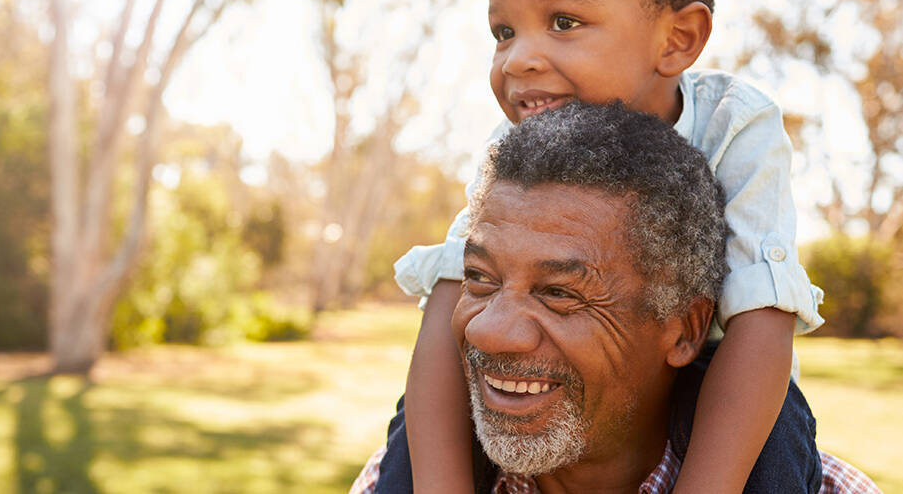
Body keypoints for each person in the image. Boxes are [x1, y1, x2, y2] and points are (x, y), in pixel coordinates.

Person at [377, 0, 826, 494]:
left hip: (718, 388)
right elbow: (451, 295)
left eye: (563, 21)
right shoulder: (515, 154)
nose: (517, 60)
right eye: (503, 32)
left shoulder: (733, 122)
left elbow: (762, 313)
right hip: (556, 402)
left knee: (778, 425)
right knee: (421, 417)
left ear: (678, 39)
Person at [354, 102, 876, 494]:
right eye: (480, 279)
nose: (488, 330)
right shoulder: (392, 477)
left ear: (685, 330)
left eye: (559, 292)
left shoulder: (825, 486)